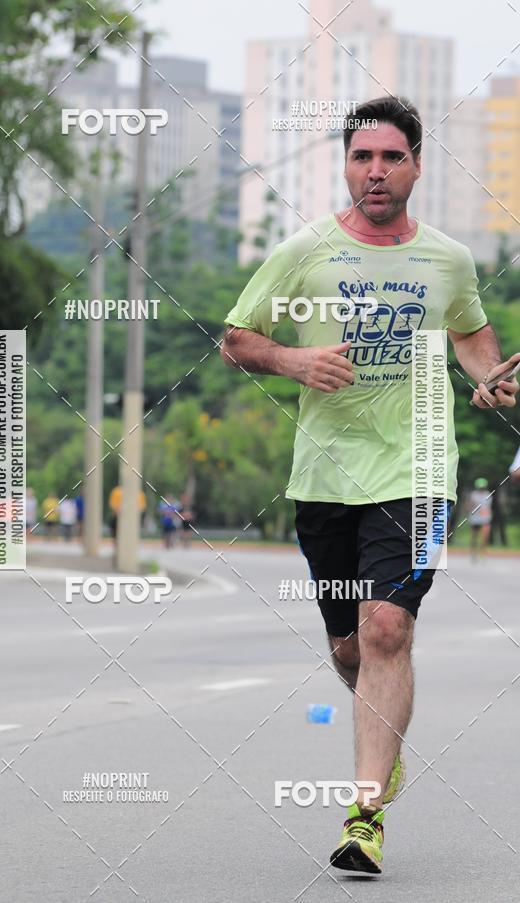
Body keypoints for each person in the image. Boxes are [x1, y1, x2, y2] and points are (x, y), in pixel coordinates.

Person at [220, 95, 520, 875]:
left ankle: (364, 815)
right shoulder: (306, 251)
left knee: (387, 627)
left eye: (392, 157)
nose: (376, 171)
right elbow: (237, 339)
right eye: (362, 157)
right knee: (350, 645)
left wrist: (490, 378)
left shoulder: (449, 259)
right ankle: (381, 740)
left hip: (419, 466)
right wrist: (293, 359)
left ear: (417, 166)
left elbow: (471, 335)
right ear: (346, 166)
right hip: (326, 474)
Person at [466, 478, 492, 562]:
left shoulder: (488, 495)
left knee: (485, 536)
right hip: (475, 517)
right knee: (474, 536)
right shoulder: (473, 494)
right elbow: (470, 505)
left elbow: (488, 507)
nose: (481, 488)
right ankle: (473, 553)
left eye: (483, 487)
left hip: (485, 518)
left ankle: (483, 553)